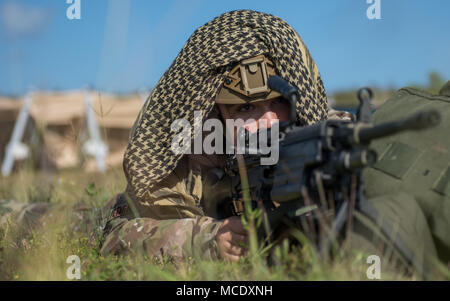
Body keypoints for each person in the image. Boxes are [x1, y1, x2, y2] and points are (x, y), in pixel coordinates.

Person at [97, 10, 337, 262]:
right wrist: (205, 240)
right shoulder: (183, 164)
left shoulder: (329, 140)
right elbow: (114, 236)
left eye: (280, 102)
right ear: (215, 113)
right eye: (245, 108)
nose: (269, 122)